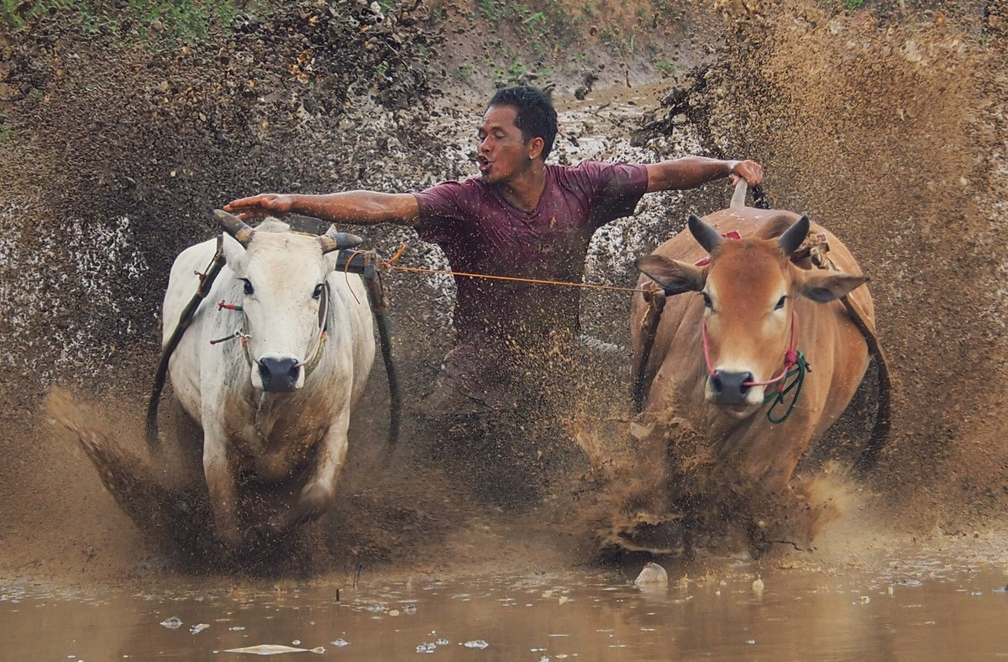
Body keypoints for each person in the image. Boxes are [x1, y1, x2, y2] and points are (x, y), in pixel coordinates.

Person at [226, 85, 763, 457]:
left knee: (637, 388)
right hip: (480, 355)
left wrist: (726, 166)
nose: (482, 148)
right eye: (481, 135)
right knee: (428, 431)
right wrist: (290, 201)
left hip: (561, 349)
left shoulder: (584, 185)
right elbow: (383, 205)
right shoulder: (463, 201)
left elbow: (663, 174)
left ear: (535, 146)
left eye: (497, 136)